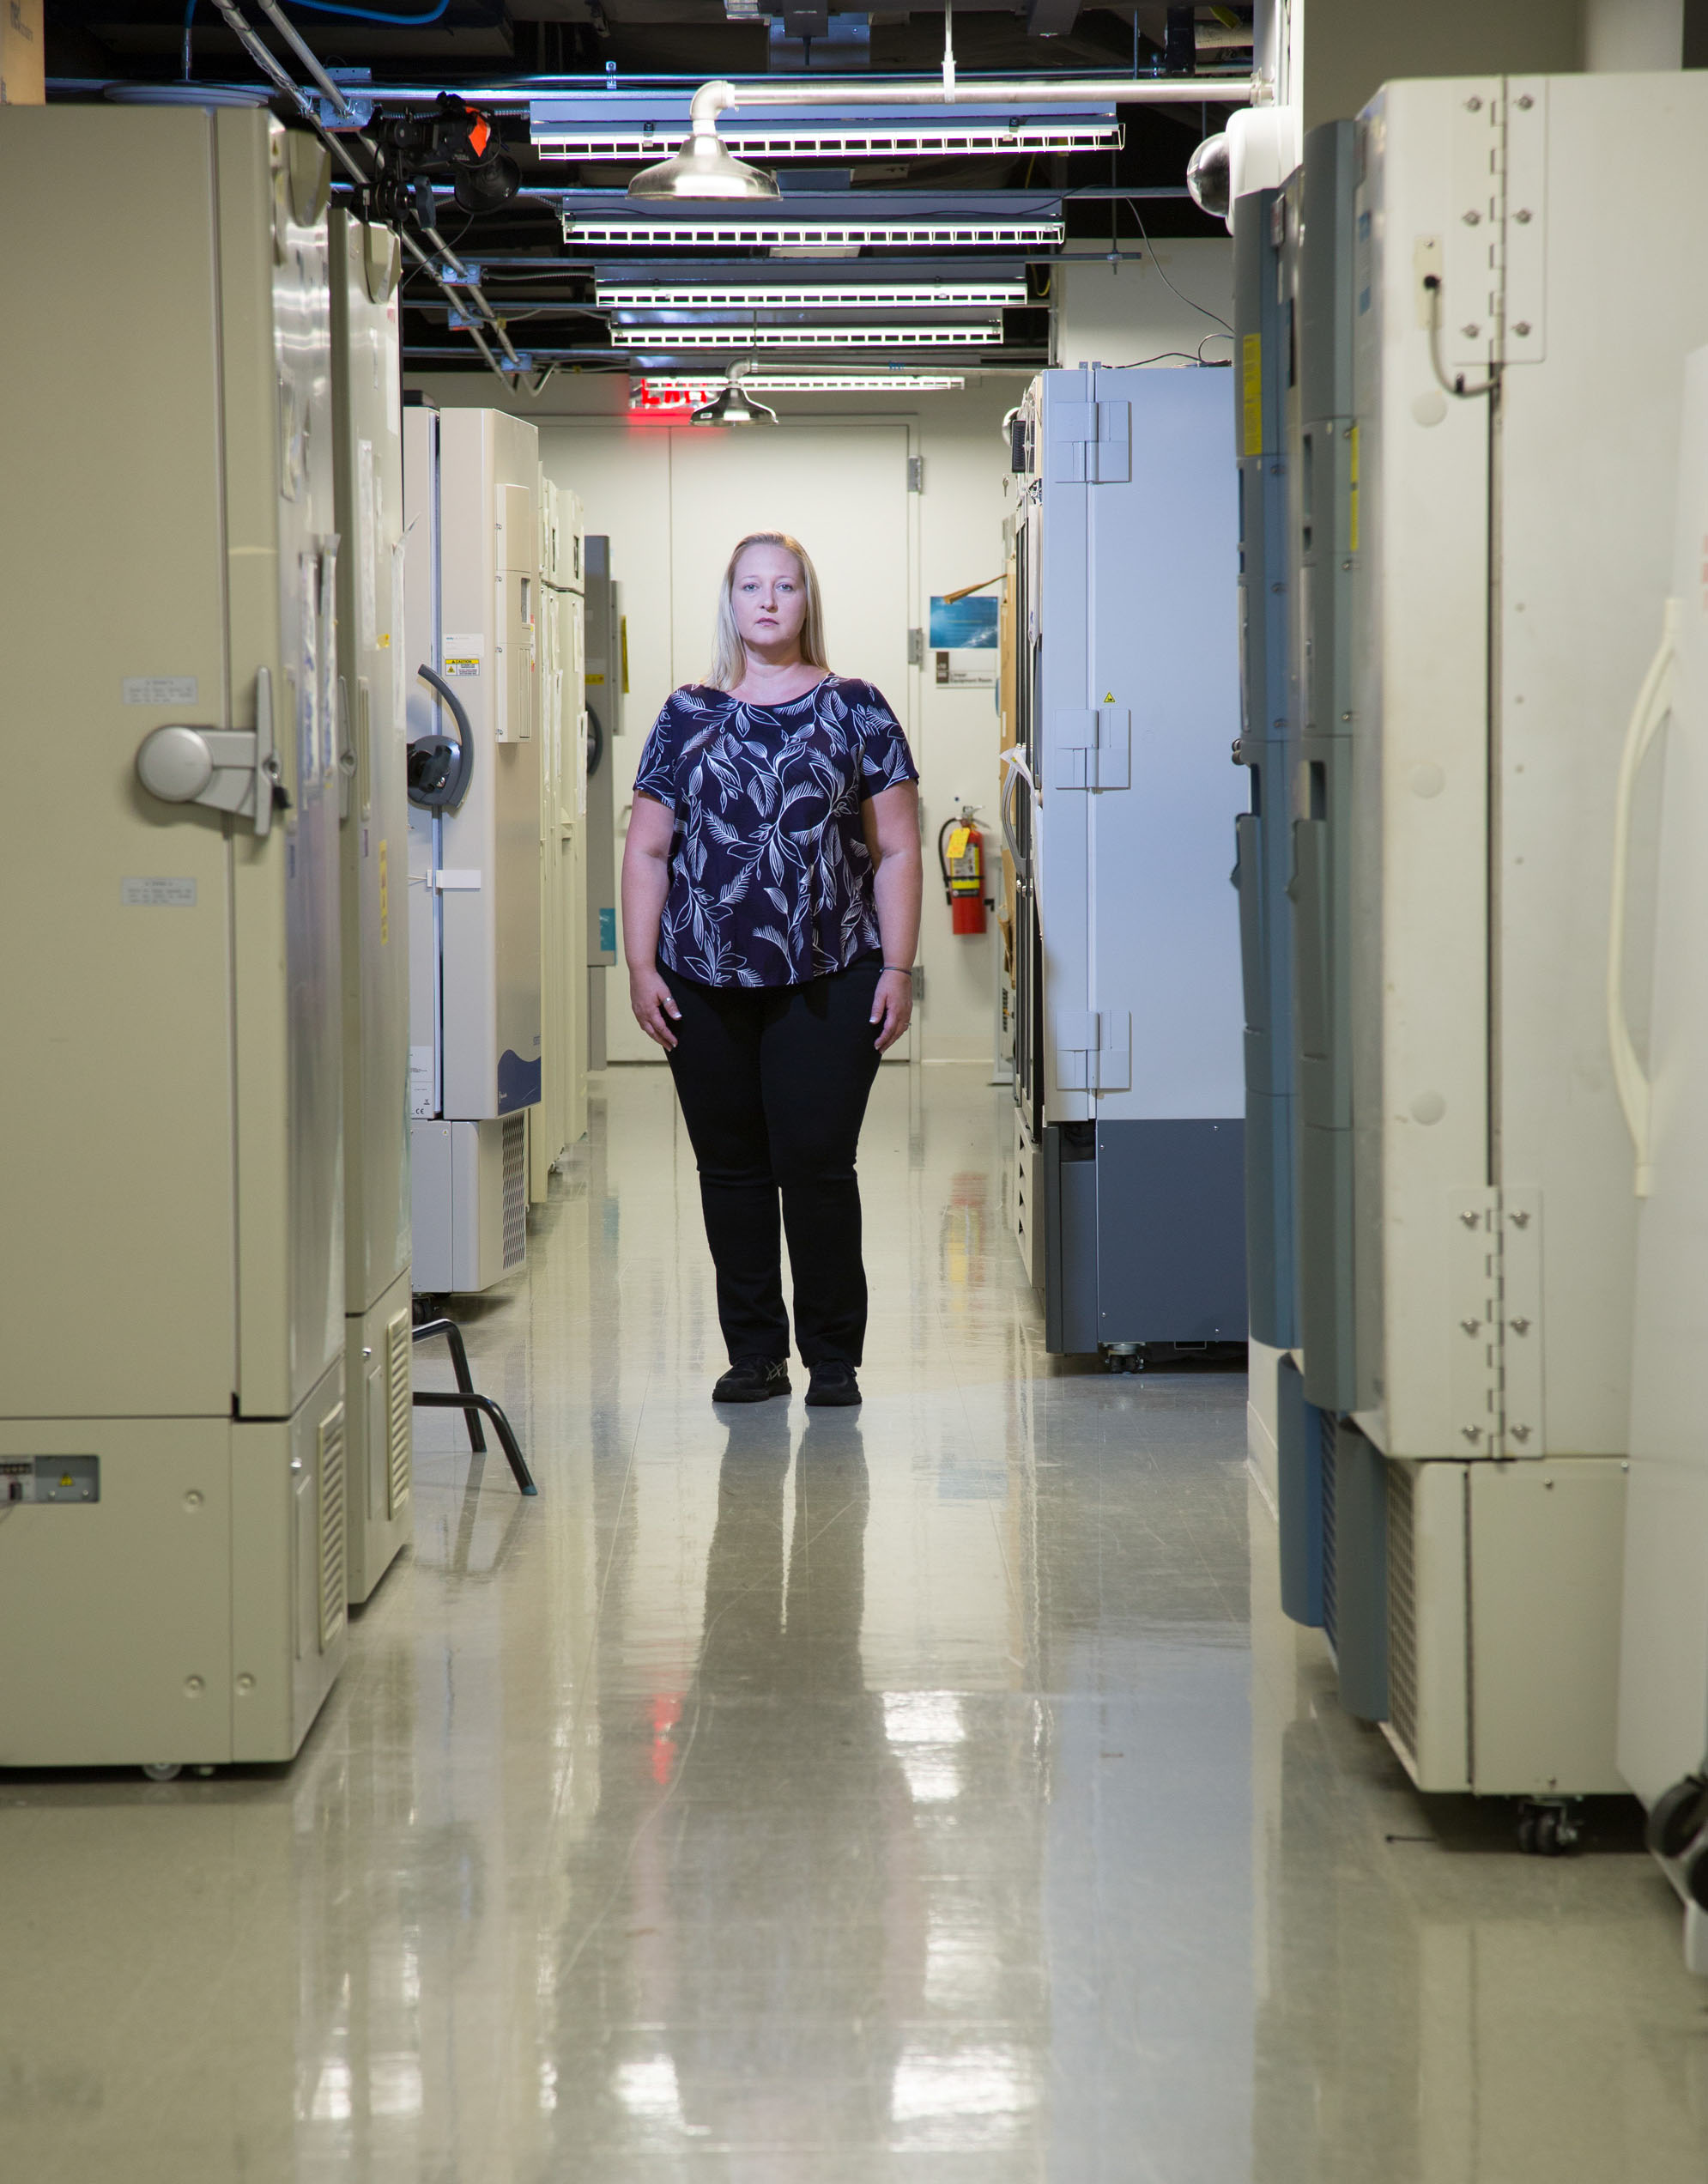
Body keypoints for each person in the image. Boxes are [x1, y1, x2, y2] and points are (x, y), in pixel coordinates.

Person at [621, 531, 922, 1408]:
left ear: (806, 601)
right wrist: (641, 966)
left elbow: (898, 850)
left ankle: (832, 1358)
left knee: (816, 1163)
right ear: (730, 601)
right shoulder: (687, 715)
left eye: (784, 586)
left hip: (828, 973)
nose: (766, 600)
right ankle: (753, 1355)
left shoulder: (857, 709)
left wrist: (897, 969)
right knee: (732, 1170)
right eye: (750, 585)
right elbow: (647, 850)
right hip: (700, 977)